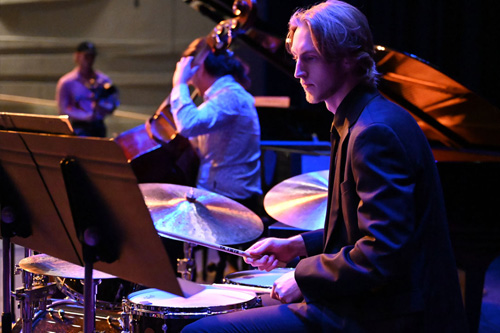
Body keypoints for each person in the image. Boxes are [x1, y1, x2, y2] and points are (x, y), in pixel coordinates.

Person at [181, 1, 467, 332]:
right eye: (296, 59)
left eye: (310, 59)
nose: (298, 72)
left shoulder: (373, 132)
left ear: (347, 58)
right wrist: (299, 245)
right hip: (372, 302)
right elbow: (360, 229)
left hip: (382, 315)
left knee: (201, 330)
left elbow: (383, 252)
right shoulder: (358, 119)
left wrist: (302, 277)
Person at [160, 37, 263, 281]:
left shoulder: (231, 96)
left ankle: (174, 297)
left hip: (233, 201)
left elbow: (188, 125)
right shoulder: (219, 98)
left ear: (198, 67)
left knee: (164, 234)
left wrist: (179, 84)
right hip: (217, 195)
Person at [56, 41, 119, 137]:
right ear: (77, 56)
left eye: (92, 56)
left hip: (98, 126)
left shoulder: (103, 80)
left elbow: (112, 103)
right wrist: (85, 116)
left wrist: (100, 107)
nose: (89, 60)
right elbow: (63, 110)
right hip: (78, 128)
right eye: (86, 56)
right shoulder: (67, 82)